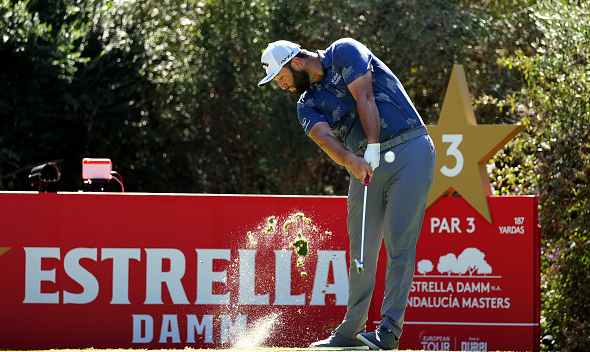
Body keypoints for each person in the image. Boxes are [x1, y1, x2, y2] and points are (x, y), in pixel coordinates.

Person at [258, 38, 436, 350]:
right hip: (363, 165)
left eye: (281, 78)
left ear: (295, 62)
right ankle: (349, 333)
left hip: (410, 148)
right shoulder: (306, 102)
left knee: (398, 243)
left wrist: (372, 145)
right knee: (361, 252)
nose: (283, 87)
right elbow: (324, 137)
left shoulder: (344, 51)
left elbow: (365, 97)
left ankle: (388, 334)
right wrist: (352, 160)